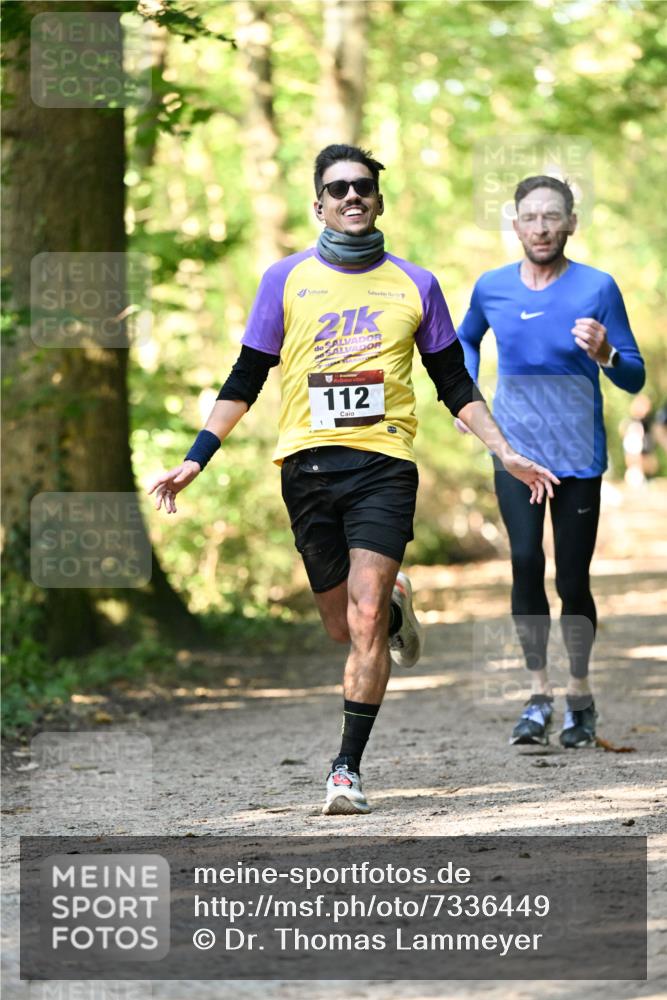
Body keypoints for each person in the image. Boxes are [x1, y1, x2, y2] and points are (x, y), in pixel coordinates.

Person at [149, 145, 558, 815]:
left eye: (362, 186)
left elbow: (452, 381)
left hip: (383, 466)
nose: (351, 196)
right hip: (305, 466)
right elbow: (246, 376)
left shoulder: (415, 285)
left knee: (365, 622)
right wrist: (197, 457)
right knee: (342, 626)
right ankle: (394, 602)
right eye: (337, 188)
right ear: (318, 204)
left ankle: (346, 769)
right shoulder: (283, 279)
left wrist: (504, 450)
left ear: (378, 199)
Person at [458, 175, 645, 749]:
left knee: (572, 578)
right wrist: (467, 398)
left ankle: (580, 695)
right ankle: (538, 695)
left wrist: (606, 352)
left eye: (552, 217)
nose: (540, 227)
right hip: (514, 452)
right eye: (530, 217)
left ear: (570, 224)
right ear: (515, 224)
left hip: (578, 457)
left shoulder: (598, 287)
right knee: (521, 562)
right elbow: (464, 339)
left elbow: (633, 373)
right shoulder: (492, 287)